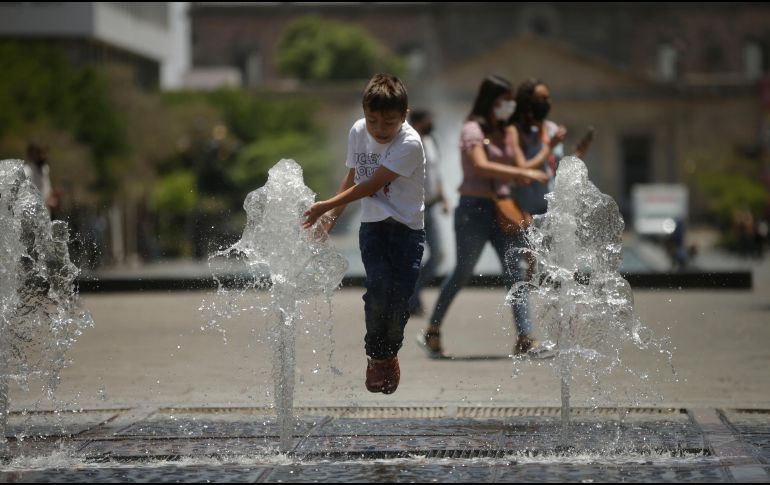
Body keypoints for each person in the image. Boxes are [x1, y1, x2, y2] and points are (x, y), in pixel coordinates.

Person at [303, 73, 425, 395]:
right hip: (373, 227)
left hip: (408, 231)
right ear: (364, 114)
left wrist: (325, 205)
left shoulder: (410, 143)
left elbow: (371, 185)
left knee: (399, 300)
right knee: (378, 289)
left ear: (405, 115)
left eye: (389, 122)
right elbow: (354, 175)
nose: (379, 129)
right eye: (373, 121)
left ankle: (390, 352)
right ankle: (376, 357)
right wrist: (331, 217)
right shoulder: (359, 131)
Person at [418, 75, 550, 359]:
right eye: (504, 101)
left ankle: (525, 338)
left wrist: (542, 146)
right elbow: (480, 164)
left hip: (504, 208)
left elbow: (520, 164)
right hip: (473, 209)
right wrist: (522, 172)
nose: (508, 106)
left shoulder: (507, 131)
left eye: (511, 101)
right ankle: (433, 330)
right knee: (462, 272)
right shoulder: (472, 129)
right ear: (490, 101)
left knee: (516, 273)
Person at [407, 109, 448, 317]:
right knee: (413, 256)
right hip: (414, 208)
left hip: (431, 205)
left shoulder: (432, 141)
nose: (431, 124)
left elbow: (436, 173)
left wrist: (444, 197)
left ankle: (412, 293)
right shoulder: (408, 143)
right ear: (417, 123)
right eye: (428, 120)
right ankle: (411, 300)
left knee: (438, 254)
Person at [23, 141, 59, 214]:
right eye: (39, 153)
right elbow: (24, 200)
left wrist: (53, 194)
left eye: (45, 153)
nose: (43, 156)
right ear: (30, 154)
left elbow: (46, 193)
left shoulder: (45, 169)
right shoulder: (26, 172)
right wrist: (46, 202)